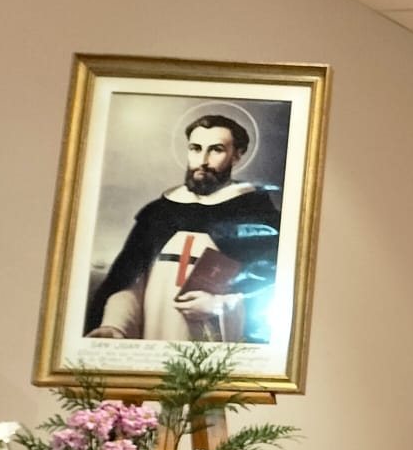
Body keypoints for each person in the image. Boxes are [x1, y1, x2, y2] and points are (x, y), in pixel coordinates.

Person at [85, 114, 280, 343]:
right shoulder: (159, 213)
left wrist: (218, 306)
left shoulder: (256, 217)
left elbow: (267, 291)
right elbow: (130, 284)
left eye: (216, 150)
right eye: (196, 149)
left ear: (236, 155)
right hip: (152, 340)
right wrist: (114, 325)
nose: (203, 161)